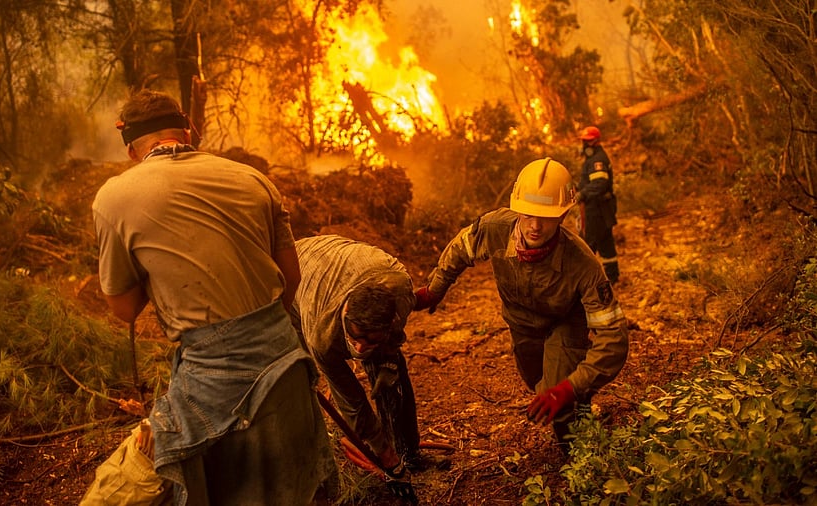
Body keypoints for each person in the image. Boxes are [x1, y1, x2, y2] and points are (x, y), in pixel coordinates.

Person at [92, 89, 336, 505]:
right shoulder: (253, 179)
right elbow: (290, 279)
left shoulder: (114, 198)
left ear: (130, 148)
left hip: (209, 382)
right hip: (286, 371)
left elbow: (125, 308)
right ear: (189, 130)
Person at [412, 158, 629, 451]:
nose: (535, 226)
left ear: (563, 215)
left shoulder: (583, 263)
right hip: (522, 324)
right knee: (536, 384)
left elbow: (614, 339)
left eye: (547, 217)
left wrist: (570, 388)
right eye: (528, 215)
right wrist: (435, 289)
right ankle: (574, 398)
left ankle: (579, 453)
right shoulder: (494, 229)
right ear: (516, 209)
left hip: (564, 322)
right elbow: (461, 249)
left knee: (558, 395)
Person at [290, 234, 421, 472]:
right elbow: (351, 401)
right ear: (346, 313)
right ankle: (311, 454)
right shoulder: (322, 336)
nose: (359, 348)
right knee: (301, 370)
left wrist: (389, 361)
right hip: (294, 269)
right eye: (355, 337)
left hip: (359, 265)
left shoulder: (401, 292)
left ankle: (409, 452)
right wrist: (384, 453)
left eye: (370, 340)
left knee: (393, 374)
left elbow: (394, 335)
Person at [576, 126, 619, 283]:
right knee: (605, 242)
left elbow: (600, 183)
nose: (584, 144)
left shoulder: (597, 160)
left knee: (588, 243)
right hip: (601, 208)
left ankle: (583, 280)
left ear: (596, 141)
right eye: (583, 141)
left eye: (587, 141)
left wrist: (583, 194)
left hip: (597, 209)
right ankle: (612, 276)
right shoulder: (592, 159)